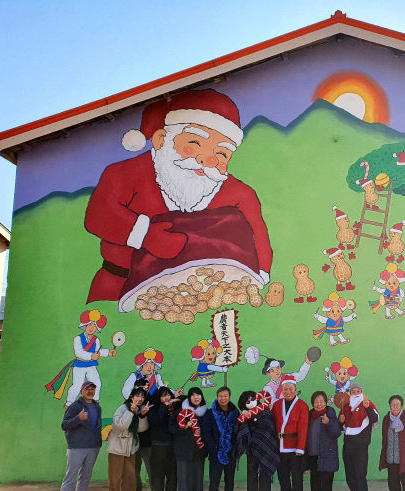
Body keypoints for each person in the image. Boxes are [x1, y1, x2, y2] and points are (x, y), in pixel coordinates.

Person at [85, 88, 273, 304]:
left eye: (221, 153)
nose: (206, 159)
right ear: (161, 139)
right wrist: (144, 234)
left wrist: (257, 279)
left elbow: (259, 239)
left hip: (210, 297)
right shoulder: (124, 174)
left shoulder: (240, 195)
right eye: (195, 144)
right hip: (121, 289)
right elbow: (99, 214)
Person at [59, 381, 102, 491]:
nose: (90, 391)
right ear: (82, 391)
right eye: (87, 389)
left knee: (85, 477)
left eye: (92, 389)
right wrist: (78, 418)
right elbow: (64, 425)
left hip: (93, 447)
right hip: (77, 447)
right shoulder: (75, 407)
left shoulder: (97, 406)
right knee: (69, 479)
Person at [107, 387, 151, 491]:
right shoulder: (123, 408)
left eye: (142, 397)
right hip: (117, 449)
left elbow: (141, 429)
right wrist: (130, 413)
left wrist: (142, 416)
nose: (140, 399)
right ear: (132, 397)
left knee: (130, 479)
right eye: (137, 396)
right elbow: (120, 426)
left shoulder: (139, 410)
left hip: (130, 449)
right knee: (115, 480)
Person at [235, 390, 279, 491]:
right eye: (247, 401)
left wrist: (253, 416)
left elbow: (267, 425)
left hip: (266, 449)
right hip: (252, 449)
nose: (251, 402)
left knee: (265, 476)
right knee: (252, 477)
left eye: (252, 399)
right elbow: (239, 430)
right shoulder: (245, 415)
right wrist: (243, 419)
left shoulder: (265, 411)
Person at [339, 382, 379, 491]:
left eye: (358, 391)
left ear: (361, 392)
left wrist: (367, 408)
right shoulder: (345, 406)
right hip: (348, 445)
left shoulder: (367, 403)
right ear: (350, 393)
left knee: (360, 476)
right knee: (350, 477)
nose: (355, 393)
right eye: (353, 391)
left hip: (361, 447)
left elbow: (374, 419)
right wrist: (341, 421)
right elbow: (341, 428)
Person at [271, 375, 309, 491]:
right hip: (280, 448)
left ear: (295, 390)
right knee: (283, 478)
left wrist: (300, 448)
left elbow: (303, 428)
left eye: (290, 389)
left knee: (297, 479)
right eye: (285, 389)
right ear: (282, 390)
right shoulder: (276, 405)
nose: (287, 391)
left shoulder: (302, 406)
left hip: (295, 449)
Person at [201, 386, 240, 491]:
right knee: (214, 481)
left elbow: (239, 431)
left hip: (231, 453)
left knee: (230, 480)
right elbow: (206, 433)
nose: (223, 398)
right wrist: (214, 448)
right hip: (216, 453)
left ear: (229, 397)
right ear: (217, 397)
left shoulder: (235, 413)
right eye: (220, 396)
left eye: (225, 396)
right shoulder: (210, 413)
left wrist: (234, 447)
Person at [64, 310, 117, 407]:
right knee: (77, 385)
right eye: (90, 325)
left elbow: (98, 351)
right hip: (80, 365)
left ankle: (95, 402)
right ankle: (69, 402)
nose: (92, 328)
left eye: (95, 326)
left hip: (91, 366)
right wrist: (91, 356)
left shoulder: (96, 340)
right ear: (85, 326)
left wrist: (109, 352)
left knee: (97, 383)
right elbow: (78, 352)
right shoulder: (78, 338)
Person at [171, 387, 207, 491]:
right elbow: (172, 428)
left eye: (198, 395)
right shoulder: (181, 411)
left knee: (197, 479)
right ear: (189, 398)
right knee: (183, 478)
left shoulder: (205, 413)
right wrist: (185, 428)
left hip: (199, 451)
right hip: (183, 450)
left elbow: (209, 430)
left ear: (202, 397)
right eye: (193, 395)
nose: (196, 397)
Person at [306, 390, 342, 491]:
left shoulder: (330, 412)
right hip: (313, 454)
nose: (319, 404)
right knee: (314, 481)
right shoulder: (310, 414)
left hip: (327, 455)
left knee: (326, 482)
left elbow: (337, 432)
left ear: (325, 402)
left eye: (321, 401)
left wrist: (328, 423)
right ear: (313, 403)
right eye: (316, 402)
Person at [146, 386, 180, 491]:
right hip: (158, 447)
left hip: (172, 447)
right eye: (163, 395)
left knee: (172, 478)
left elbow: (185, 398)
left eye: (168, 395)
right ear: (158, 397)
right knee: (157, 478)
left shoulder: (175, 408)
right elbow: (156, 421)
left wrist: (174, 400)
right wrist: (165, 406)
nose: (166, 398)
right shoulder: (153, 409)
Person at [132, 377, 153, 491]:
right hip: (133, 443)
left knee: (152, 472)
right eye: (138, 389)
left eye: (145, 388)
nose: (141, 392)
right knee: (134, 472)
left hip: (149, 443)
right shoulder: (129, 403)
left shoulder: (152, 401)